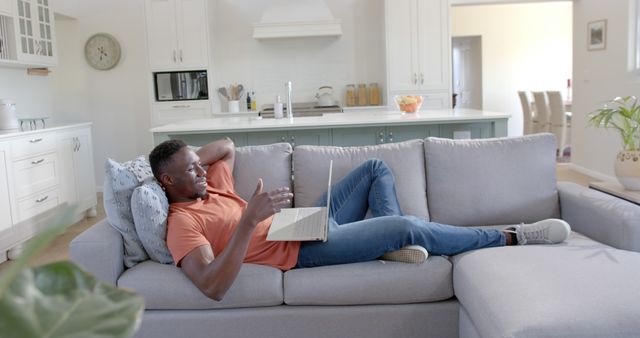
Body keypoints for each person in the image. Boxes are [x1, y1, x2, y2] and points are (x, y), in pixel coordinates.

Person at [149, 138, 571, 301]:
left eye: (199, 166)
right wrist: (248, 221)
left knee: (373, 168)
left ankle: (390, 246)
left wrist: (189, 163)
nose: (203, 172)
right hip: (300, 250)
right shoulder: (182, 222)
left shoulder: (208, 184)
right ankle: (512, 236)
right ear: (168, 182)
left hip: (298, 222)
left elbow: (224, 146)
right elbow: (211, 286)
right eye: (191, 170)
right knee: (406, 224)